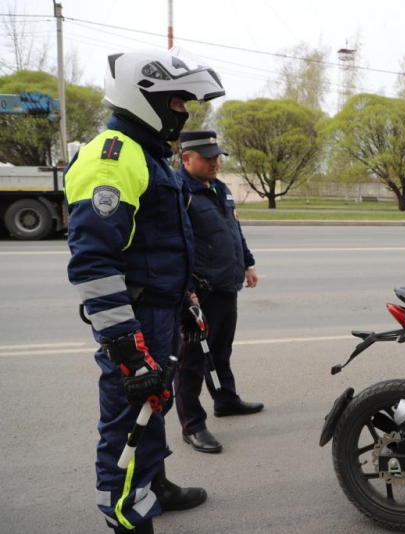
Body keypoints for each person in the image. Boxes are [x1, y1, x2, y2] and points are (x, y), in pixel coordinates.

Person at [65, 48, 225, 534]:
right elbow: (94, 261)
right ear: (144, 97)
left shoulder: (148, 153)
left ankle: (155, 485)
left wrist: (186, 297)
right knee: (129, 424)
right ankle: (127, 519)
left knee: (154, 409)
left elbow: (161, 242)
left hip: (161, 311)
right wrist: (126, 348)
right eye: (177, 102)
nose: (184, 112)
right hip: (135, 321)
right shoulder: (111, 157)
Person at [175, 130, 263, 454]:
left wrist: (248, 263)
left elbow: (233, 229)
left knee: (221, 350)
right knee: (191, 362)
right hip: (200, 293)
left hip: (227, 285)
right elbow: (175, 245)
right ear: (186, 158)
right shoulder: (179, 192)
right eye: (207, 158)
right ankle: (192, 426)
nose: (215, 163)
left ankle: (225, 400)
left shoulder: (218, 188)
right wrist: (187, 292)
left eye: (217, 157)